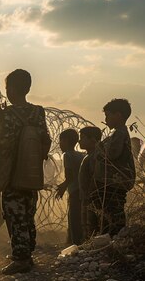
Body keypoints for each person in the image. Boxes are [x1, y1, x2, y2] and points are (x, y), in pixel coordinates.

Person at [0, 69, 51, 275]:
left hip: (12, 174)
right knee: (28, 212)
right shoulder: (38, 112)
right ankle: (27, 252)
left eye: (8, 88)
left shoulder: (8, 114)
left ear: (13, 89)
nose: (7, 92)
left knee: (14, 214)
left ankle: (21, 259)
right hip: (31, 172)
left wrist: (0, 120)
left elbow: (3, 142)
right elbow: (46, 140)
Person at [91, 99, 135, 236]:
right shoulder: (117, 133)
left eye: (108, 115)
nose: (106, 119)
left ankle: (114, 241)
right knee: (110, 214)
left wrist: (100, 148)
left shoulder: (119, 133)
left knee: (113, 215)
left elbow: (112, 154)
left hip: (115, 182)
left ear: (118, 115)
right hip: (113, 182)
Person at [55, 129, 86, 245]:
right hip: (82, 191)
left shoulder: (67, 155)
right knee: (80, 219)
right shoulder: (81, 155)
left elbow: (70, 176)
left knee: (74, 220)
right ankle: (76, 242)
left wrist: (62, 188)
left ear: (66, 141)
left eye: (60, 141)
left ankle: (75, 245)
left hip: (74, 192)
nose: (59, 144)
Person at [78, 126, 102, 238]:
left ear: (92, 139)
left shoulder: (94, 157)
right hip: (87, 197)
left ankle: (91, 246)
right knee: (87, 224)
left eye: (82, 138)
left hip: (91, 198)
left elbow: (94, 177)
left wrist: (90, 194)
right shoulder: (88, 156)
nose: (79, 140)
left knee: (90, 225)